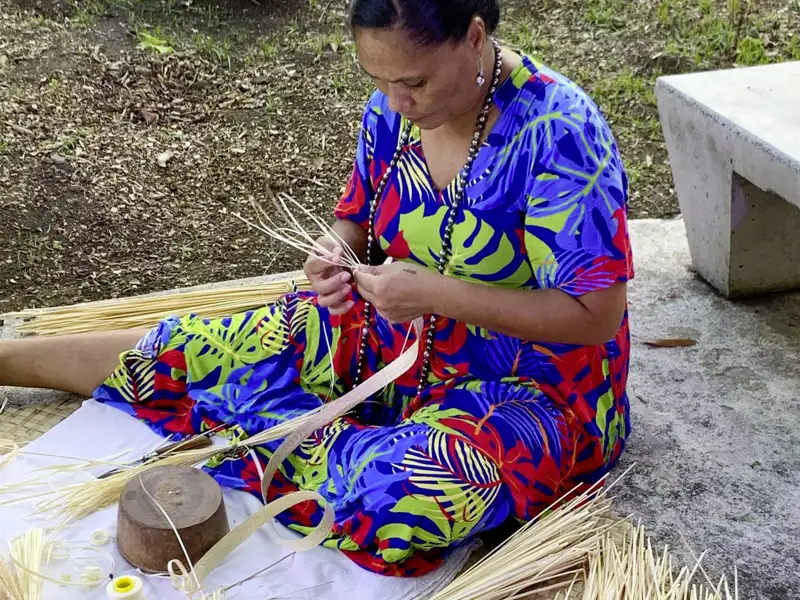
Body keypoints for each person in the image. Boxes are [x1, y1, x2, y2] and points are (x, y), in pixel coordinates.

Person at [0, 0, 634, 577]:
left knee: (402, 491)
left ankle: (257, 432)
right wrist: (334, 253)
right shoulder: (393, 109)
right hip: (392, 334)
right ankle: (8, 359)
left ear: (473, 37)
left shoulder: (558, 134)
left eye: (413, 81)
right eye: (378, 80)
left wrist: (437, 295)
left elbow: (594, 315)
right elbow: (358, 214)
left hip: (532, 388)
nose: (396, 101)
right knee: (194, 349)